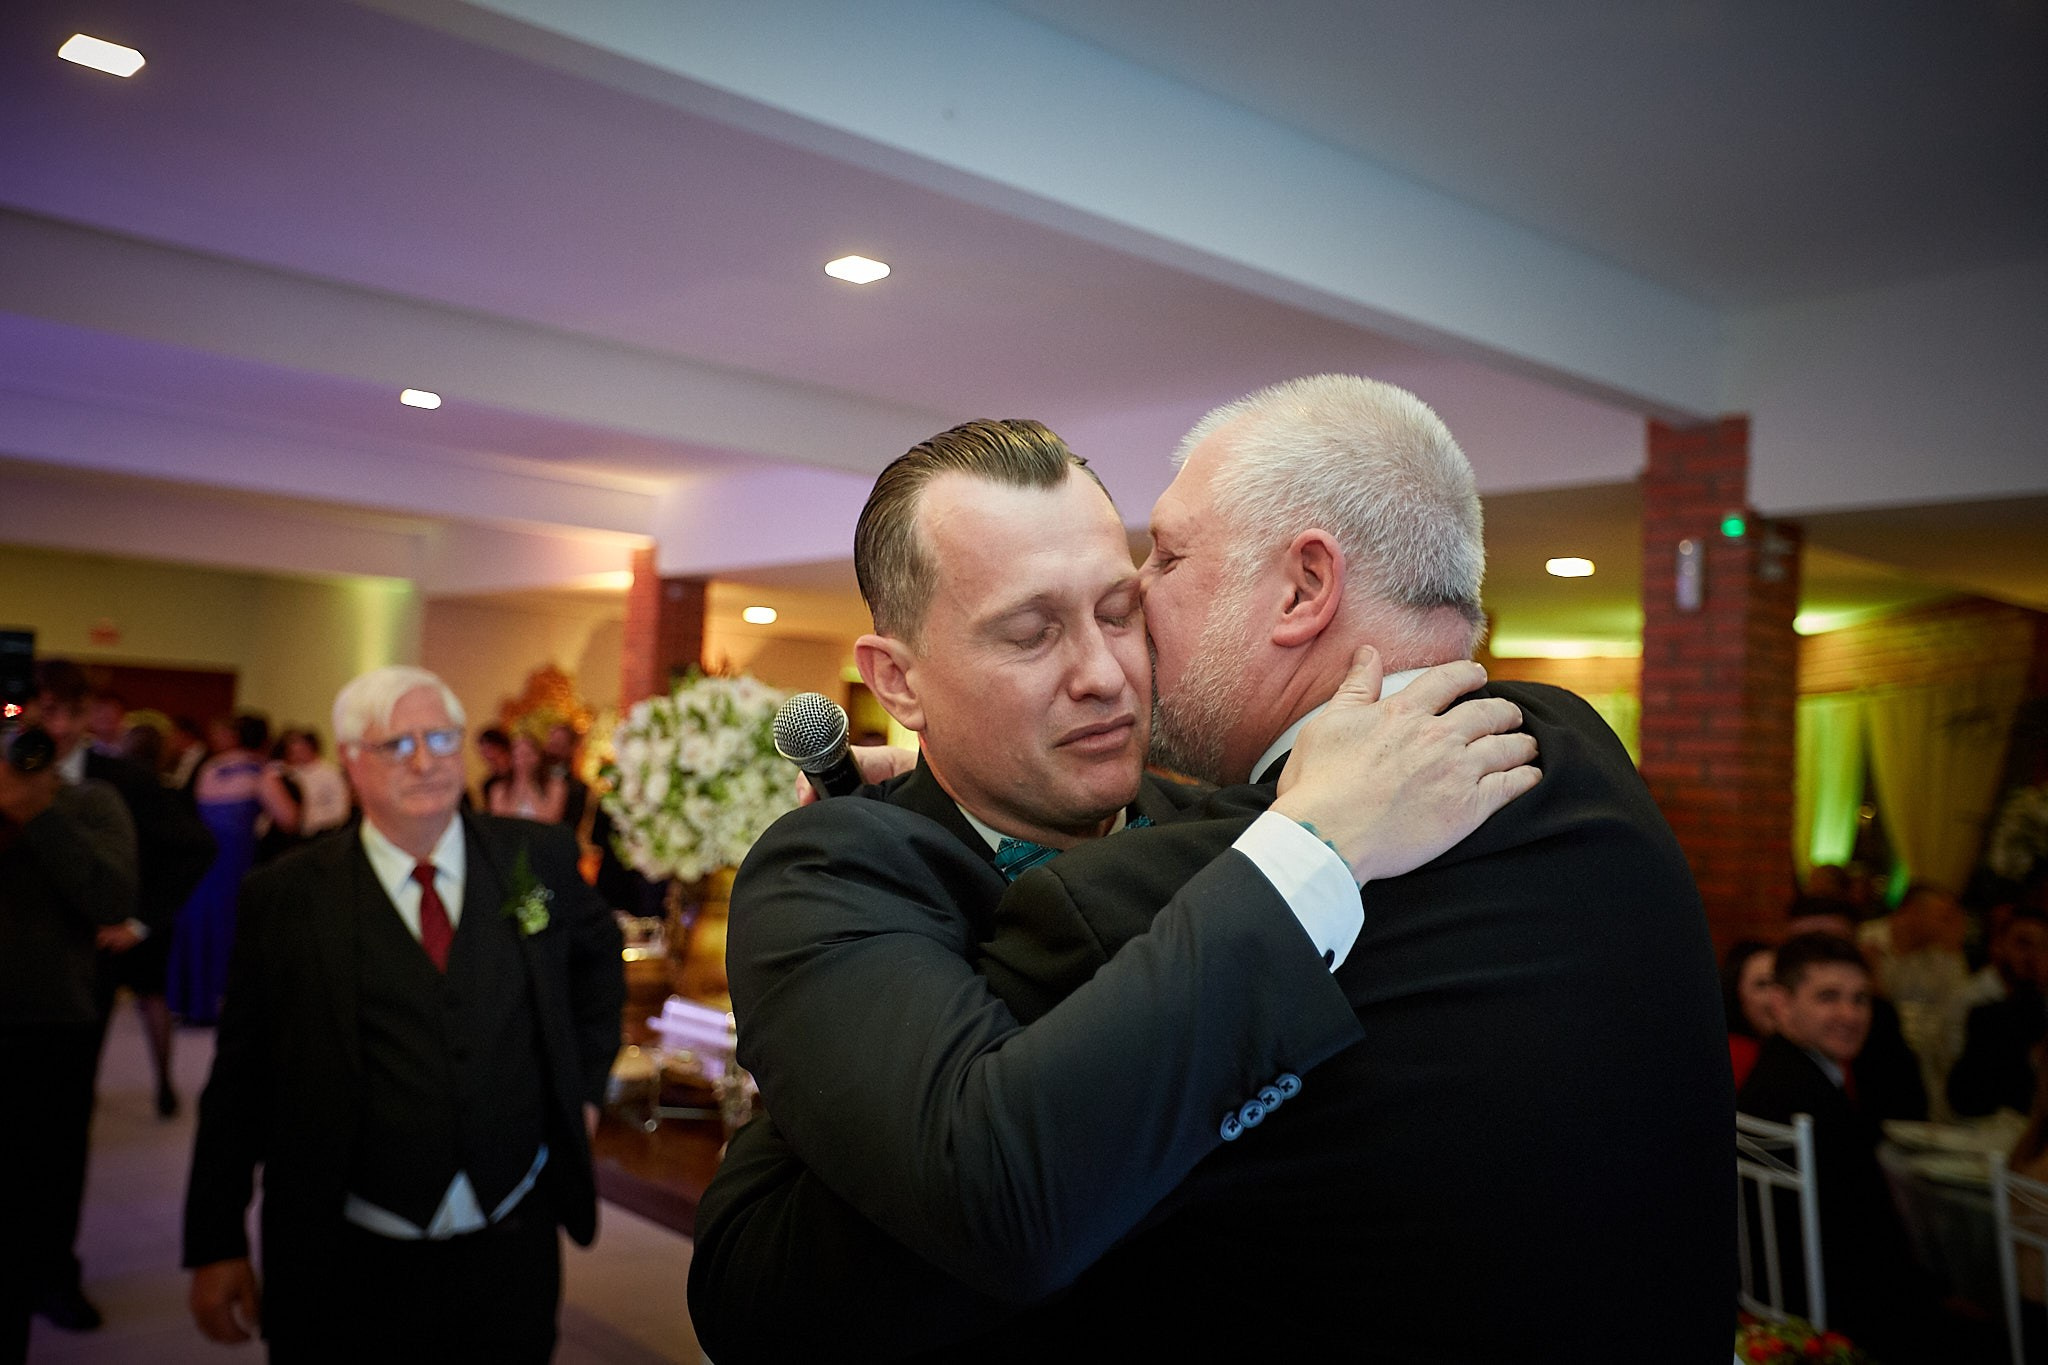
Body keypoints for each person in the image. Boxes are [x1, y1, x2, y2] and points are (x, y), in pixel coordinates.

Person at [694, 380, 1728, 1359]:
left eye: (1124, 600)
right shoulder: (834, 863)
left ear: (1305, 589)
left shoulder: (1209, 843)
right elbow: (764, 1287)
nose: (1105, 672)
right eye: (1028, 633)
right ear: (896, 682)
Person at [181, 666, 624, 1362]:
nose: (425, 760)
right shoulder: (287, 896)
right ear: (351, 760)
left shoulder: (535, 855)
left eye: (441, 737)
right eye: (398, 744)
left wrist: (588, 1088)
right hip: (347, 1252)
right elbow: (242, 1074)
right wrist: (216, 1239)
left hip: (510, 1241)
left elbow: (601, 967)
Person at [0, 721, 136, 1362]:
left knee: (51, 1166)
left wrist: (37, 814)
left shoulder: (90, 804)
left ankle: (52, 1276)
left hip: (56, 1019)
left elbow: (110, 897)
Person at [1738, 932, 1941, 1359]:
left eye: (1861, 998)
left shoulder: (1774, 1075)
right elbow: (1874, 1247)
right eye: (1828, 997)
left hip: (1775, 1305)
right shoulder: (1806, 1102)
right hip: (1837, 1321)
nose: (1849, 1014)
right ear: (1781, 1003)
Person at [1950, 907, 2048, 1117]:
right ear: (1998, 947)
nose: (2034, 956)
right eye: (2023, 944)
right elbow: (1966, 1095)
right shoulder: (1981, 1008)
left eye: (2044, 947)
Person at [1725, 938, 1777, 1088]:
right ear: (1737, 994)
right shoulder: (1730, 1057)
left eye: (1781, 982)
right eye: (1763, 984)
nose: (1776, 996)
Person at [488, 729, 568, 824]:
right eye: (517, 755)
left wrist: (529, 784)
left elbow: (549, 819)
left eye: (527, 754)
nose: (522, 761)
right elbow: (502, 821)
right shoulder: (499, 790)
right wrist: (519, 785)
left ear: (538, 757)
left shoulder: (556, 786)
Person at [474, 726, 513, 810]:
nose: (485, 754)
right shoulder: (488, 783)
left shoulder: (519, 775)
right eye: (482, 750)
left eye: (489, 748)